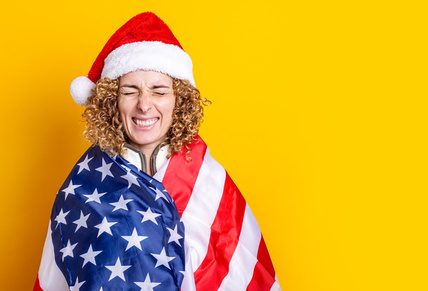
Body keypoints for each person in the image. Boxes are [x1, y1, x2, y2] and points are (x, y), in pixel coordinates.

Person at [34, 12, 280, 291]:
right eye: (129, 91)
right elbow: (57, 276)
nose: (144, 104)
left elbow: (247, 274)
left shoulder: (211, 183)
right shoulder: (82, 186)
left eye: (159, 91)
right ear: (112, 100)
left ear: (180, 100)